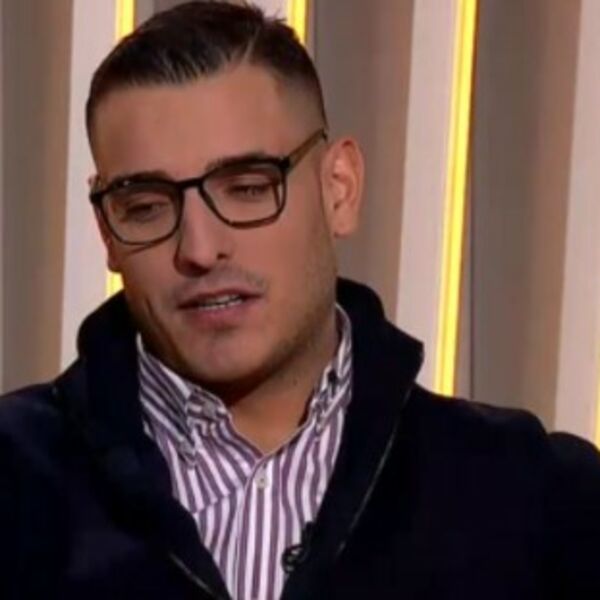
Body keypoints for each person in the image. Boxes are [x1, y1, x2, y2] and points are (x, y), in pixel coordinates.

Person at [1, 2, 600, 599]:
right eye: (147, 207)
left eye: (247, 188)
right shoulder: (14, 483)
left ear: (339, 189)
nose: (200, 250)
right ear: (107, 231)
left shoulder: (535, 502)